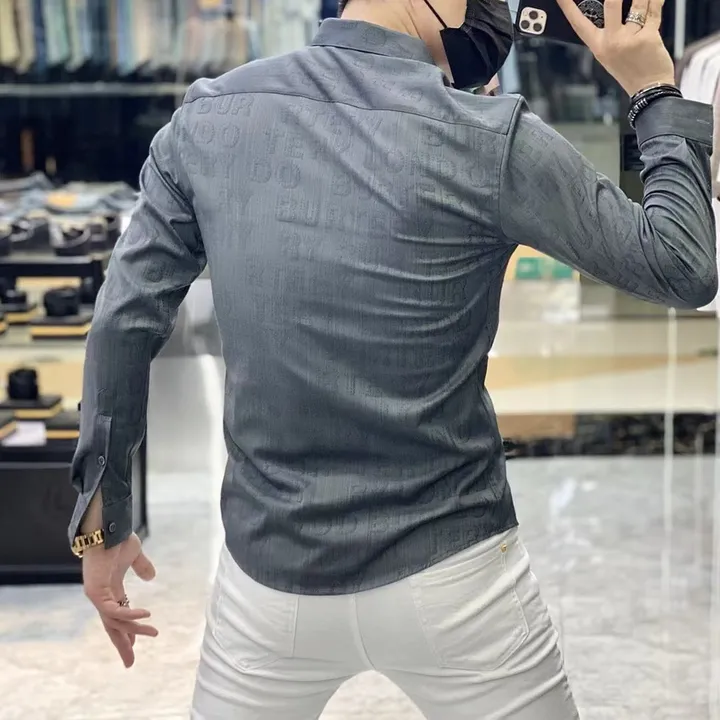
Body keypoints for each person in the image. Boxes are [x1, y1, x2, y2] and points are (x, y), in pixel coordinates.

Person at [69, 0, 717, 718]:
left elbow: (124, 319)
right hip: (457, 577)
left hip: (269, 580)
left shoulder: (209, 118)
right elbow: (682, 264)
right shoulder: (488, 137)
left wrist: (102, 522)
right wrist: (652, 88)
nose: (499, 15)